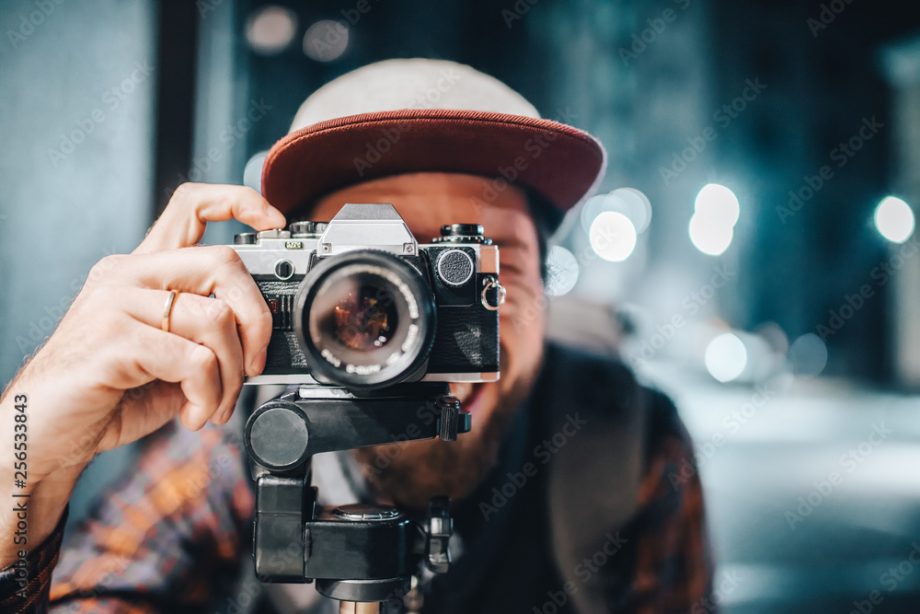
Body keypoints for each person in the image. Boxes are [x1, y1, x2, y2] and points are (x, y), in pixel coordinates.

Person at [0, 59, 713, 613]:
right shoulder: (240, 436)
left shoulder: (624, 442)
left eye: (472, 264)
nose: (422, 314)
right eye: (374, 280)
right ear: (286, 286)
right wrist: (21, 460)